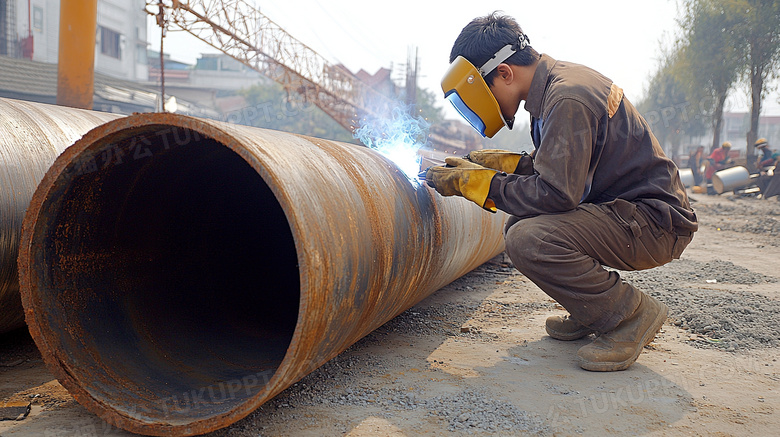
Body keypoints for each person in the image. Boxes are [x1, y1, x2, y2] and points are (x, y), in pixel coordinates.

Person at [425, 12, 697, 372]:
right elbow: (560, 169)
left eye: (483, 92)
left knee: (528, 239)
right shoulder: (555, 87)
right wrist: (503, 166)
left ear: (504, 73)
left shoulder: (567, 97)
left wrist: (478, 184)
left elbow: (556, 193)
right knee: (519, 225)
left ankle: (631, 315)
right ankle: (592, 310)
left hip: (653, 224)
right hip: (630, 213)